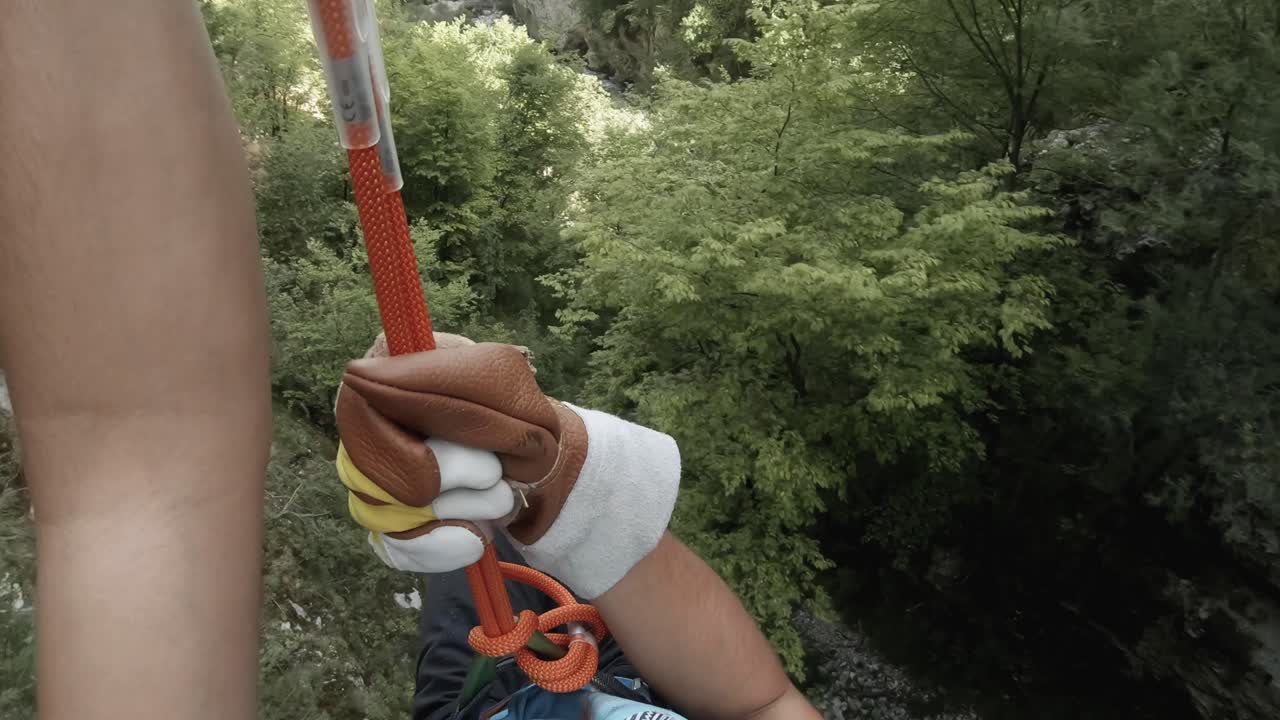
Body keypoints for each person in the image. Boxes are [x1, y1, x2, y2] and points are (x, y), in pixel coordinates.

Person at [0, 3, 821, 719]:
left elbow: (145, 476)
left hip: (476, 695)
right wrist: (561, 473)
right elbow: (763, 702)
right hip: (630, 678)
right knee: (475, 497)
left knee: (459, 526)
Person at [336, 334, 823, 720]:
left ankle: (497, 488)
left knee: (472, 535)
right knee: (500, 520)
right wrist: (568, 483)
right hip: (630, 685)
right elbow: (764, 704)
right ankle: (517, 491)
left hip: (486, 697)